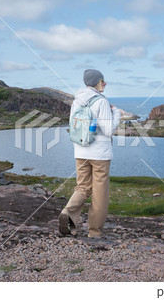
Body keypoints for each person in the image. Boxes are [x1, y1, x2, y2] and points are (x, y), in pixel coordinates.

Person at [59, 69, 121, 238]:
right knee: (100, 193)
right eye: (103, 80)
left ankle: (68, 214)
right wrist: (116, 113)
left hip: (80, 151)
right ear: (96, 82)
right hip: (100, 154)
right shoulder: (101, 101)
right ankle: (94, 233)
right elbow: (108, 130)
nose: (105, 83)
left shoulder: (77, 100)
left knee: (83, 187)